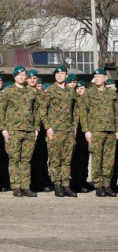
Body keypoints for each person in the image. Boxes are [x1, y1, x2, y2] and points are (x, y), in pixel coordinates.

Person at [0, 66, 40, 197]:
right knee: (14, 159)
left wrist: (36, 128)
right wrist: (4, 129)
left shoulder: (31, 92)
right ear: (15, 77)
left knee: (26, 160)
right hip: (13, 130)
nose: (23, 77)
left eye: (24, 75)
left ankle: (25, 186)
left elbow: (36, 111)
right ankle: (16, 186)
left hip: (28, 130)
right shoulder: (8, 91)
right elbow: (2, 111)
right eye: (20, 75)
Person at [77, 68, 117, 197]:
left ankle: (107, 185)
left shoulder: (112, 94)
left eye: (100, 76)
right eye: (96, 76)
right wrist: (87, 130)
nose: (97, 78)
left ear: (105, 78)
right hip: (95, 131)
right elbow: (83, 113)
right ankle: (98, 185)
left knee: (109, 159)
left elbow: (116, 113)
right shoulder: (89, 93)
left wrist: (117, 129)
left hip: (110, 130)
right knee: (97, 158)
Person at [42, 66, 77, 197]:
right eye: (57, 74)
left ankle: (66, 185)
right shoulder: (49, 91)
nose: (59, 76)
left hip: (68, 131)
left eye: (62, 74)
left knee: (67, 159)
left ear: (66, 75)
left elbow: (76, 110)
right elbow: (42, 111)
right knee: (55, 159)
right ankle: (57, 185)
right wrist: (48, 127)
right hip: (55, 130)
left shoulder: (71, 91)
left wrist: (73, 126)